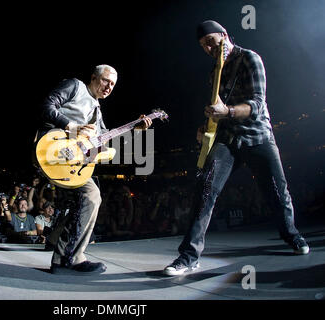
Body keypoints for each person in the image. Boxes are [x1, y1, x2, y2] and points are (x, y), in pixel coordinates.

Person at [163, 20, 309, 276]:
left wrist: (227, 111)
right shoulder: (214, 73)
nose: (208, 48)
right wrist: (206, 126)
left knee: (277, 191)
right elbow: (217, 108)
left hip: (257, 136)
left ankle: (292, 235)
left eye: (210, 41)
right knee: (205, 190)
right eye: (203, 45)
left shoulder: (250, 59)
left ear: (224, 35)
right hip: (227, 139)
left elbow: (257, 104)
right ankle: (188, 256)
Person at [37, 64, 152, 275]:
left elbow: (104, 142)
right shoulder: (75, 87)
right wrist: (71, 126)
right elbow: (46, 105)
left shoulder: (97, 112)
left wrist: (134, 129)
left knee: (84, 198)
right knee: (91, 195)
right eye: (106, 81)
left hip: (72, 164)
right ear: (93, 77)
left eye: (113, 85)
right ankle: (68, 257)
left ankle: (56, 243)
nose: (109, 87)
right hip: (53, 148)